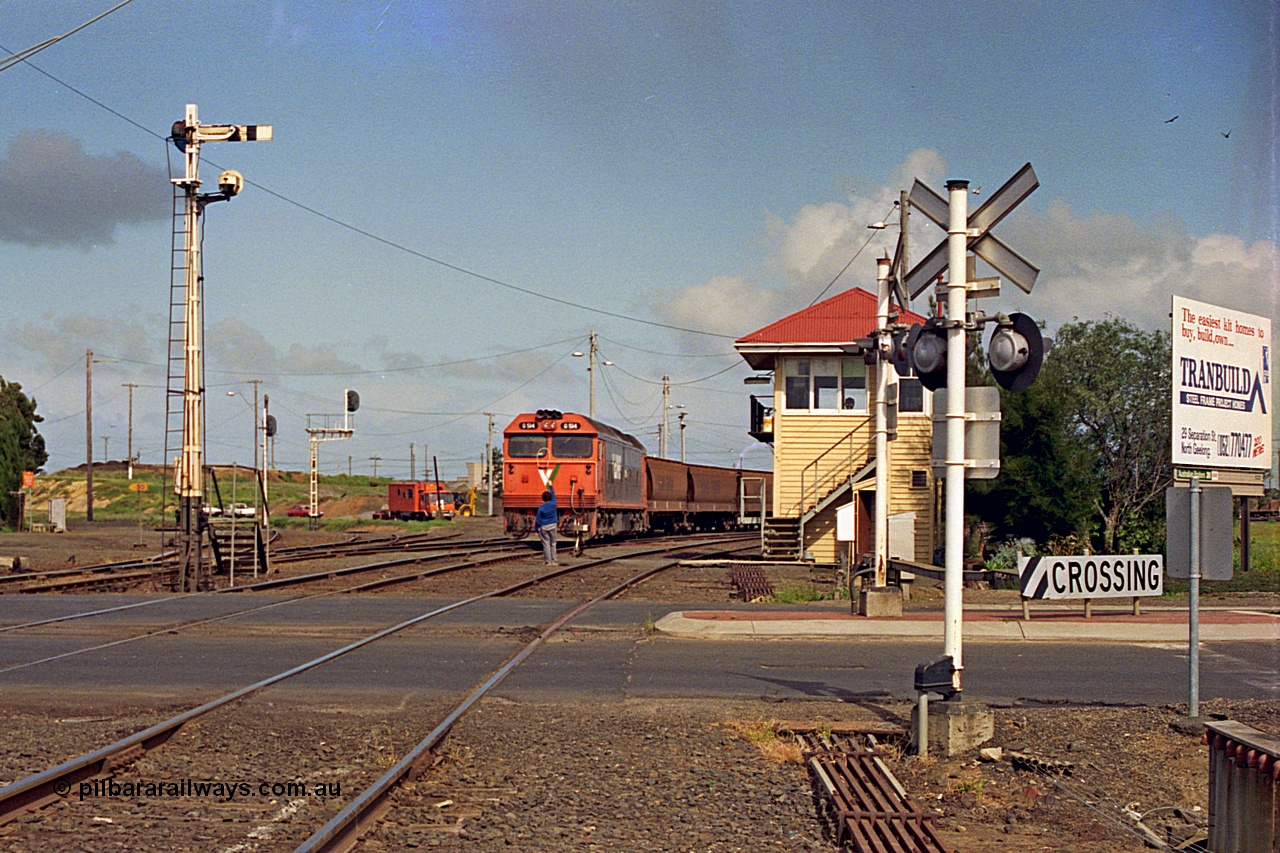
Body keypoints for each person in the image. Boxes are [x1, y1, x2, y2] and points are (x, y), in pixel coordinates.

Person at [535, 486, 558, 565]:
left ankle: (548, 561)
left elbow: (538, 520)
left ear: (542, 499)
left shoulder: (541, 508)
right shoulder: (553, 504)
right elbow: (554, 495)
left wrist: (536, 529)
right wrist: (551, 487)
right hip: (553, 526)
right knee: (553, 543)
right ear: (550, 498)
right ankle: (554, 561)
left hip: (544, 527)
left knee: (546, 544)